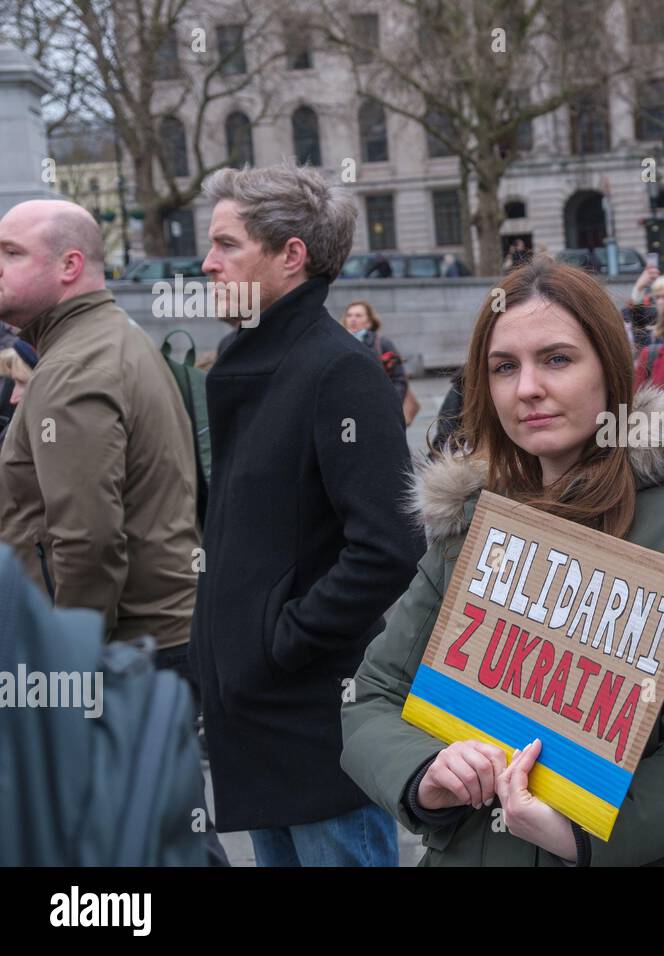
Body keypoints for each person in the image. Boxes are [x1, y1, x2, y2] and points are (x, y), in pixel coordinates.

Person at [339, 259, 664, 866]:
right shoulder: (469, 524)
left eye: (557, 359)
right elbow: (370, 697)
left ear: (609, 370)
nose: (527, 388)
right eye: (504, 367)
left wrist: (575, 834)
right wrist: (426, 774)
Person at [193, 164, 425, 866]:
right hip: (257, 719)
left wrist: (282, 642)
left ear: (290, 255)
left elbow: (389, 545)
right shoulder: (252, 360)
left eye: (227, 244)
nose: (206, 263)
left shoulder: (338, 370)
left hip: (313, 726)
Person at [0, 199, 200, 668]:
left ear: (69, 265)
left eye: (11, 253)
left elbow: (87, 541)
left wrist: (67, 664)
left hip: (122, 649)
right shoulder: (110, 334)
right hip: (153, 636)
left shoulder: (74, 368)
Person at [342, 300, 410, 406]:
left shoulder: (382, 343)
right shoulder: (337, 343)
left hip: (378, 405)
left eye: (358, 315)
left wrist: (391, 404)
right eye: (349, 315)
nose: (353, 319)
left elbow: (399, 379)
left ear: (369, 322)